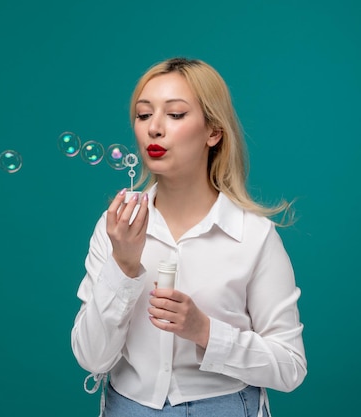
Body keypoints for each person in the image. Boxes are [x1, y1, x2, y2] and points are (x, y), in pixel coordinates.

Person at [70, 57, 307, 417]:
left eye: (176, 114)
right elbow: (91, 358)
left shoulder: (254, 236)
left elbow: (290, 367)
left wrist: (206, 332)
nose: (155, 129)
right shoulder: (116, 228)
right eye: (144, 114)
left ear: (213, 131)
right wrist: (123, 264)